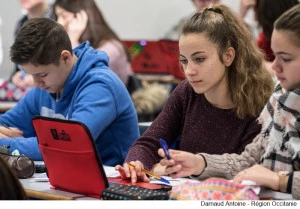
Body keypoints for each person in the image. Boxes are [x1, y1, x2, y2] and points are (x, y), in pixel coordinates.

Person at [115, 4, 275, 183]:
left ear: (228, 56)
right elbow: (148, 143)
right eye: (184, 61)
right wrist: (136, 165)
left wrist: (178, 168)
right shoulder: (187, 92)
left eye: (199, 59)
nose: (189, 71)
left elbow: (246, 168)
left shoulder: (262, 103)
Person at [158, 4, 300, 200]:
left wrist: (280, 180)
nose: (274, 66)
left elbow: (266, 174)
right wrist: (200, 163)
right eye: (274, 55)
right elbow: (248, 160)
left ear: (228, 56)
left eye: (285, 58)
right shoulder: (282, 101)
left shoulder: (271, 100)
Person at [0, 18, 139, 166]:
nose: (35, 84)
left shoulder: (100, 86)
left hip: (112, 182)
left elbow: (68, 145)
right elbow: (6, 122)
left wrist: (6, 144)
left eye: (42, 75)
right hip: (65, 179)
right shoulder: (46, 87)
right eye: (30, 75)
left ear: (65, 58)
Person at [53, 0, 137, 94]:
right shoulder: (82, 44)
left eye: (63, 16)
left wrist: (72, 41)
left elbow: (78, 79)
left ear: (81, 17)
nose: (59, 22)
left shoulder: (110, 48)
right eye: (57, 16)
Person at [239, 0, 299, 78]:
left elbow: (254, 63)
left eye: (285, 59)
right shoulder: (266, 38)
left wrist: (240, 19)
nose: (254, 18)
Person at [11, 0, 55, 88]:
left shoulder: (60, 17)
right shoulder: (21, 24)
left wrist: (39, 77)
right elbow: (18, 66)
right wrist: (17, 76)